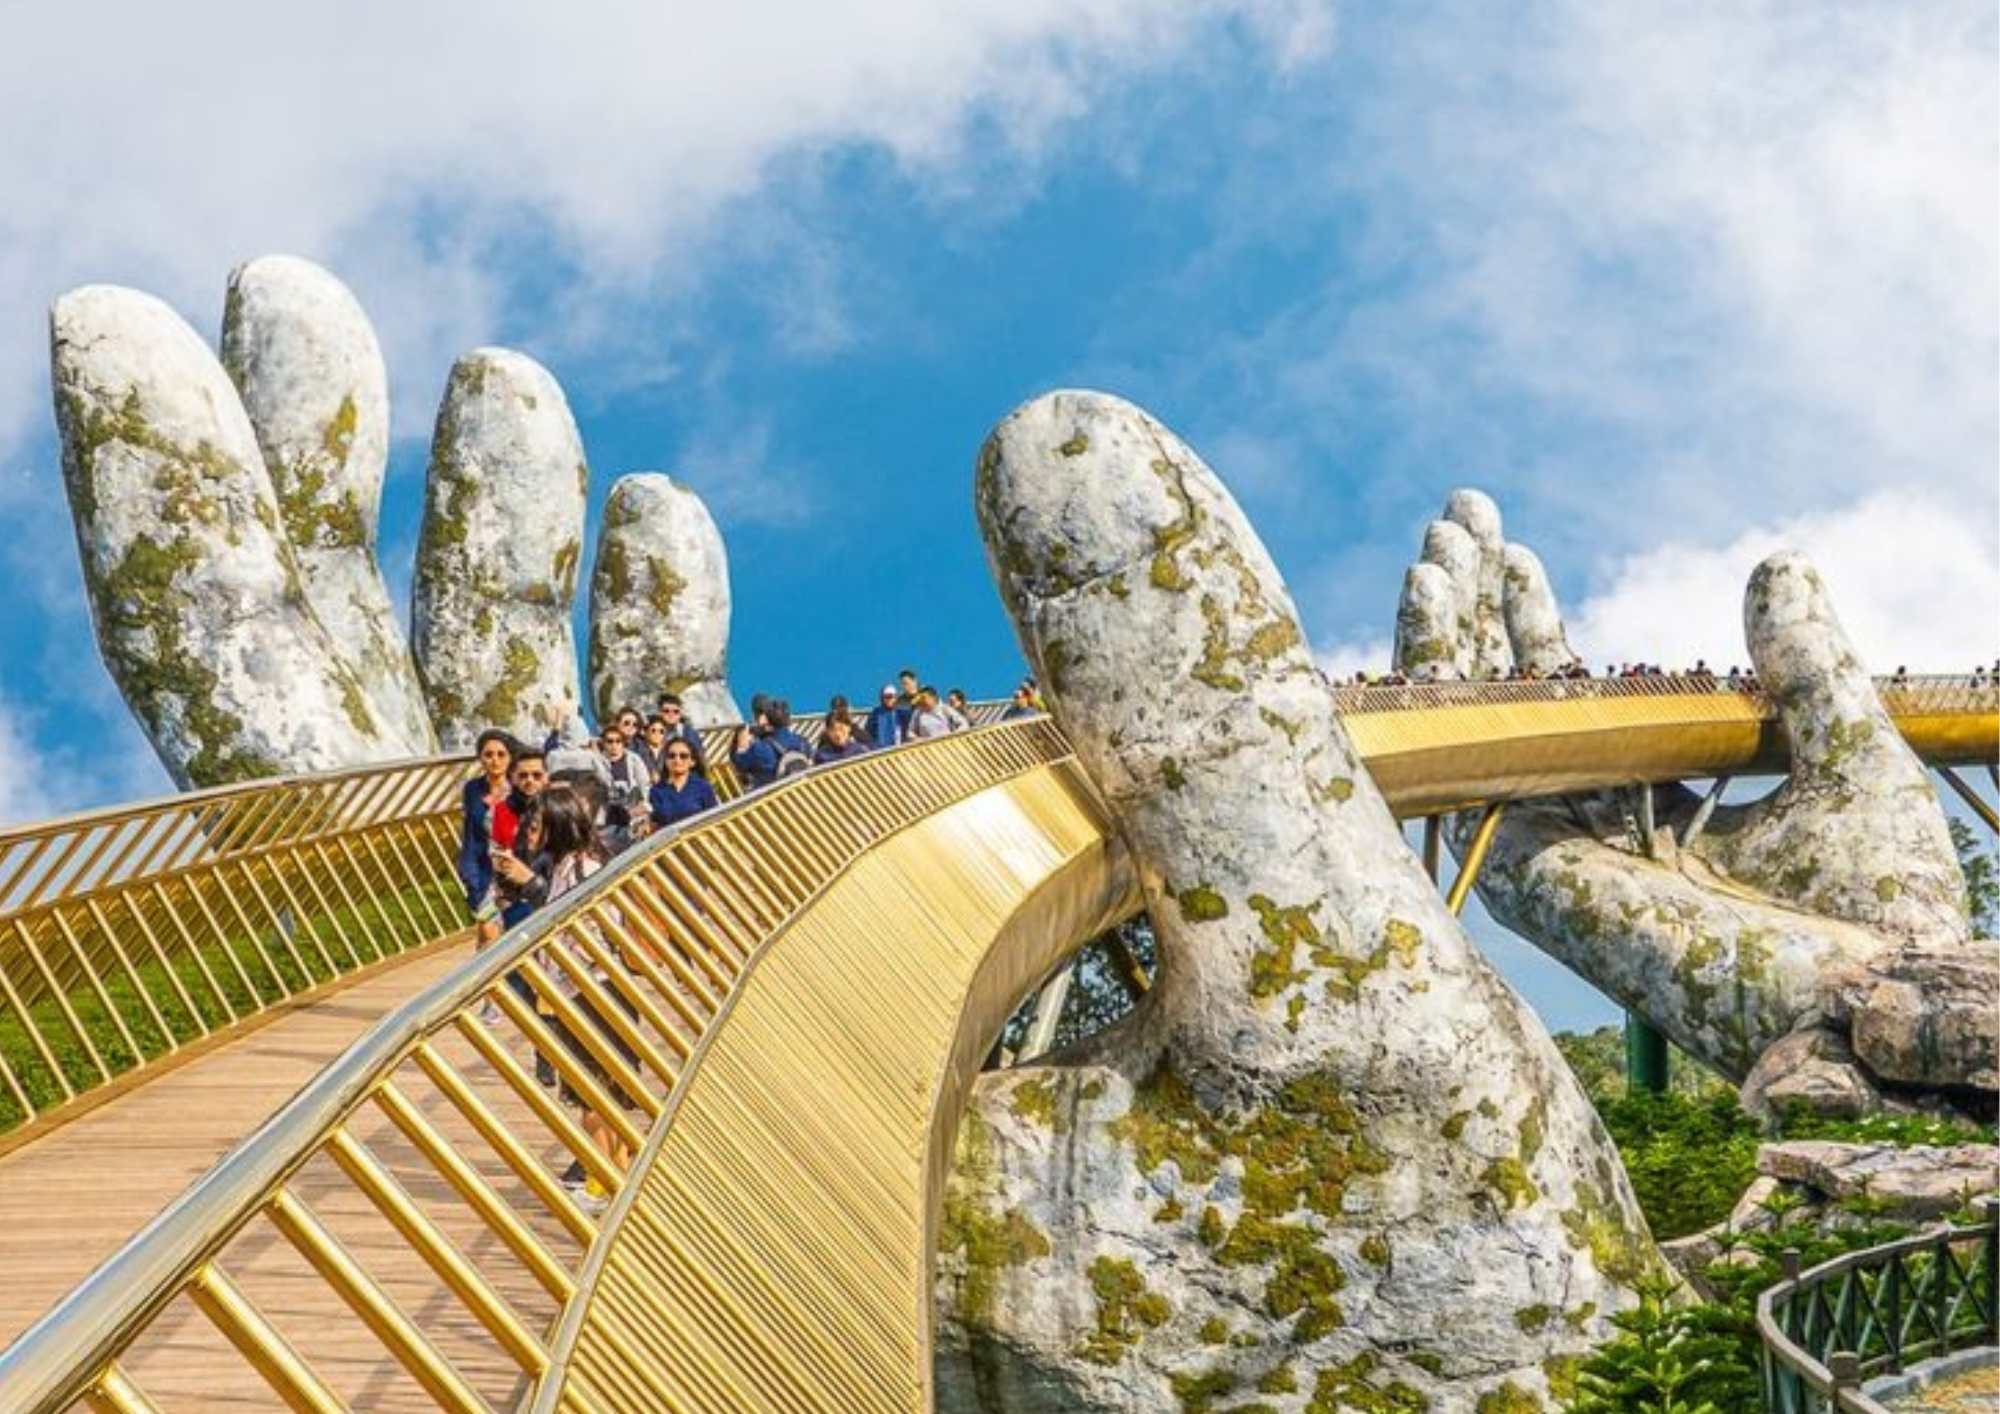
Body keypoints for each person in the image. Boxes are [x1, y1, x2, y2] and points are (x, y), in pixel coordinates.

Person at [535, 787, 643, 1211]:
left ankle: (602, 1181)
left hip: (591, 988)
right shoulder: (568, 865)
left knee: (593, 1089)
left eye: (539, 821)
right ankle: (612, 1178)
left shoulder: (582, 867)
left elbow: (603, 925)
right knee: (597, 1090)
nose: (532, 828)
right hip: (580, 988)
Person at [457, 729, 515, 950]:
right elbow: (471, 833)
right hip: (485, 874)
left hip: (515, 872)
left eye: (501, 754)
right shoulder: (473, 789)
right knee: (487, 933)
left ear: (510, 757)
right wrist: (469, 875)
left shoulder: (519, 787)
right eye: (488, 754)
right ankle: (488, 983)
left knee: (514, 936)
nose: (495, 760)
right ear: (480, 758)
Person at [731, 697, 811, 788]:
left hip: (771, 799)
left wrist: (742, 744)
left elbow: (740, 764)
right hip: (801, 793)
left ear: (766, 722)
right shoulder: (803, 743)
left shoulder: (760, 750)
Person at [597, 724, 652, 853]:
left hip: (632, 812)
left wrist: (645, 805)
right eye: (610, 741)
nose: (614, 745)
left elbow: (645, 785)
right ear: (603, 743)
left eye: (618, 741)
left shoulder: (634, 759)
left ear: (623, 743)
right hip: (608, 815)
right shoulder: (597, 761)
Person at [650, 736, 720, 828]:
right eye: (672, 756)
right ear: (666, 761)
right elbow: (654, 822)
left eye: (683, 756)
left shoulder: (703, 787)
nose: (677, 760)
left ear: (692, 762)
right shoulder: (656, 790)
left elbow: (714, 819)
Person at [863, 683, 907, 749]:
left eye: (891, 697)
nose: (889, 700)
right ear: (882, 698)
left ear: (896, 698)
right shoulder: (876, 713)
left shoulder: (902, 713)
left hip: (898, 750)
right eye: (886, 697)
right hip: (880, 751)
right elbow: (868, 733)